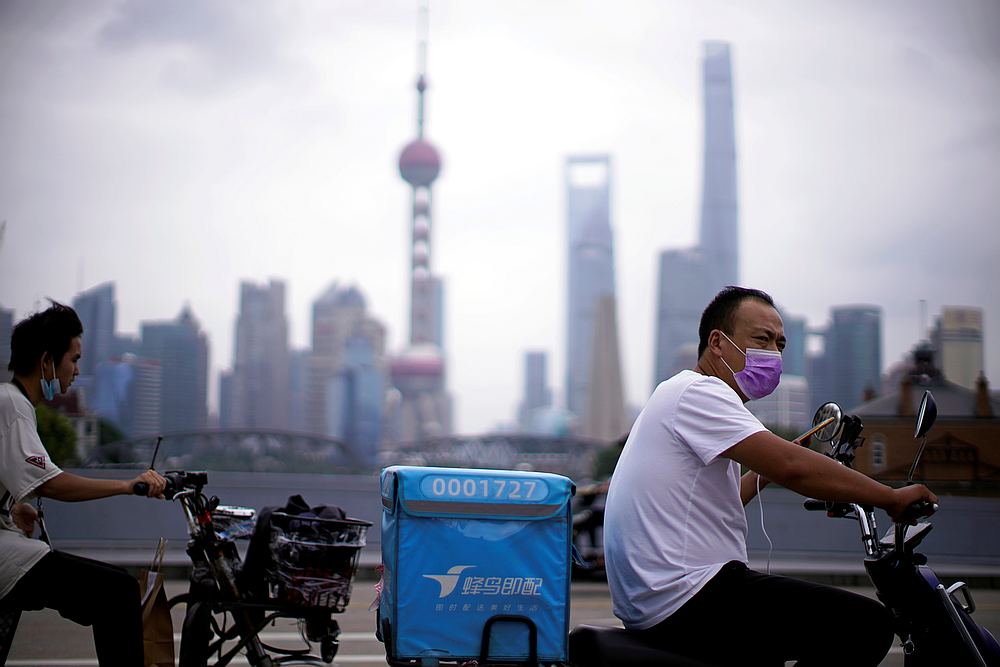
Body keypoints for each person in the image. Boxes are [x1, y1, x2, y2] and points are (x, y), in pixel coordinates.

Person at [603, 286, 938, 667]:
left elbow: (728, 494)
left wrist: (765, 471)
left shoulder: (683, 395)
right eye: (761, 340)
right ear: (717, 342)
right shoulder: (699, 392)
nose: (773, 354)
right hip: (688, 594)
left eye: (780, 344)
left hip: (662, 596)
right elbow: (792, 466)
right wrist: (890, 498)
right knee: (866, 623)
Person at [0, 302, 167, 666]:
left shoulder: (14, 404)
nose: (77, 370)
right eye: (73, 359)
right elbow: (53, 484)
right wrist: (127, 487)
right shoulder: (12, 406)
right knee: (117, 592)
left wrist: (12, 510)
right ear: (47, 360)